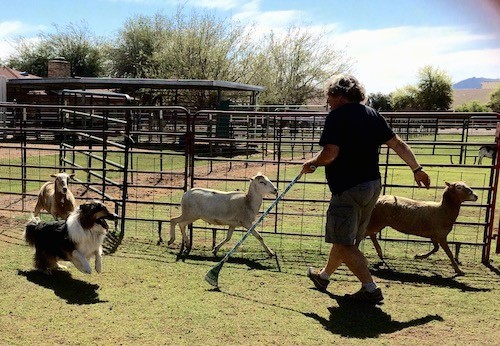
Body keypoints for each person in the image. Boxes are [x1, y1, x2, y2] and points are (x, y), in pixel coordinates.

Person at [302, 74, 430, 304]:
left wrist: (313, 162)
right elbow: (398, 144)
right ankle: (323, 277)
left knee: (343, 242)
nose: (328, 100)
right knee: (347, 239)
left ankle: (370, 289)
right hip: (371, 186)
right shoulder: (373, 115)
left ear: (339, 95)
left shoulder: (336, 117)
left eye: (329, 96)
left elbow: (330, 153)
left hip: (348, 187)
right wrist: (417, 169)